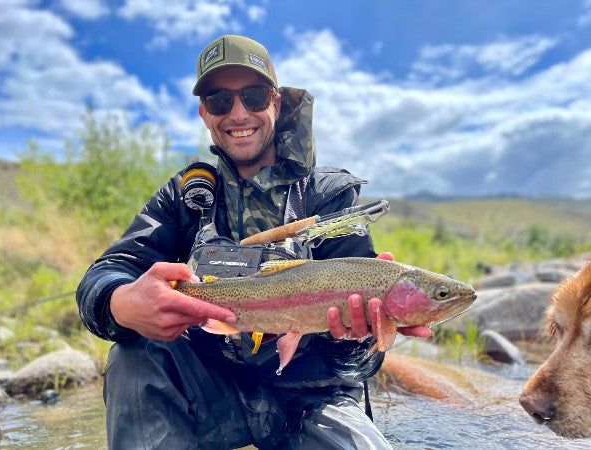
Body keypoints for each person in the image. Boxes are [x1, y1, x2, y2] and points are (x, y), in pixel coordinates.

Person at [77, 34, 429, 449]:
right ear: (205, 113)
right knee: (133, 355)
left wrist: (355, 340)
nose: (238, 113)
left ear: (276, 103)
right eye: (220, 101)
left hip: (313, 398)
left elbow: (356, 366)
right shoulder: (188, 195)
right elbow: (105, 274)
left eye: (254, 95)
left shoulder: (328, 196)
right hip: (212, 390)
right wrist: (121, 302)